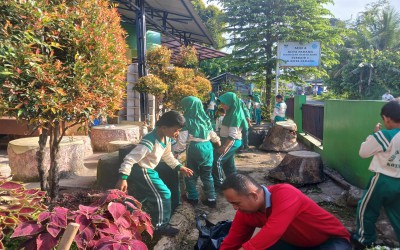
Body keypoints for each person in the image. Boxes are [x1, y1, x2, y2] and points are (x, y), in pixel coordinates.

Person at [220, 174, 351, 250]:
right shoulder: (244, 213)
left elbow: (273, 231)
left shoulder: (285, 193)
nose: (235, 208)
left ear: (254, 196)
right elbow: (232, 241)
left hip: (330, 240)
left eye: (236, 203)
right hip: (294, 243)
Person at [115, 111, 193, 236]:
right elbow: (130, 158)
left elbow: (167, 155)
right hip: (142, 170)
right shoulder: (149, 141)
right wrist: (123, 177)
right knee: (164, 194)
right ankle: (160, 226)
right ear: (164, 127)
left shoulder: (166, 138)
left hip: (149, 170)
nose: (177, 133)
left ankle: (124, 218)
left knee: (141, 197)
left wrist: (179, 167)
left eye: (179, 130)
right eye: (176, 130)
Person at [352, 100, 400, 248]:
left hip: (382, 180)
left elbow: (363, 152)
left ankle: (365, 241)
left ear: (386, 118)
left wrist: (375, 134)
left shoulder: (385, 135)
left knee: (366, 209)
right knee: (397, 214)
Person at [175, 96, 221, 207]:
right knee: (207, 175)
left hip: (194, 148)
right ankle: (211, 199)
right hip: (207, 148)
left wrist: (177, 151)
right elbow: (212, 134)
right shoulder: (205, 118)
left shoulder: (186, 120)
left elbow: (182, 140)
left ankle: (193, 198)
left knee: (191, 174)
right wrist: (217, 141)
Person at [212, 92, 246, 190]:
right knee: (229, 165)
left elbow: (232, 135)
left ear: (231, 102)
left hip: (231, 142)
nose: (222, 105)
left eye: (224, 103)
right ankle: (236, 185)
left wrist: (224, 147)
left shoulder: (235, 115)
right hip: (227, 141)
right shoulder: (230, 112)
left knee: (217, 161)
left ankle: (220, 186)